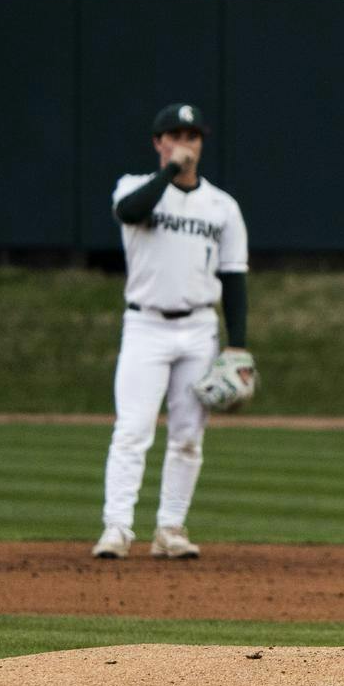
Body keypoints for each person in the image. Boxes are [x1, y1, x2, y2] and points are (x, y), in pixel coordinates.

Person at [94, 103, 250, 560]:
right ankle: (117, 528)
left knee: (187, 436)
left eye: (192, 136)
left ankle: (170, 529)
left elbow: (234, 276)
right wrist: (169, 173)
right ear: (158, 143)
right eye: (175, 135)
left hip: (199, 328)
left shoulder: (222, 206)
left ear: (202, 142)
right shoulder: (135, 187)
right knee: (132, 430)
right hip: (145, 325)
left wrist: (237, 345)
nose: (185, 144)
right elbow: (130, 212)